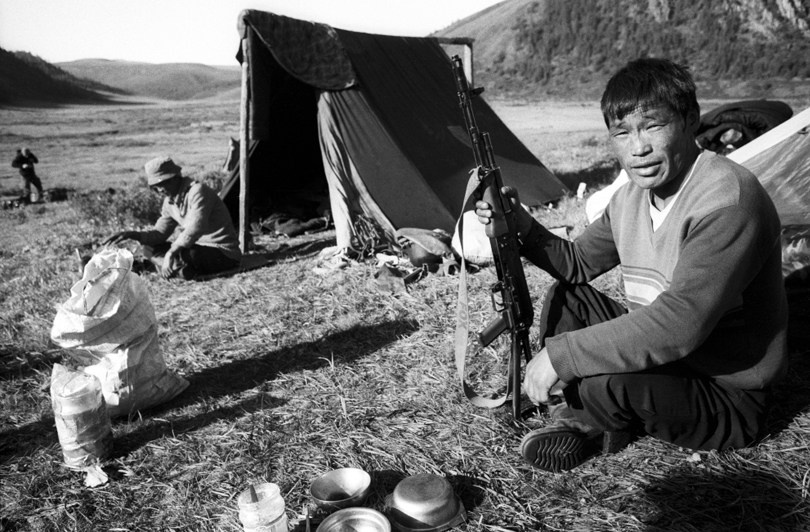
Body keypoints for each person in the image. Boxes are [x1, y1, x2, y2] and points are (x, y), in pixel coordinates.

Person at [475, 58, 788, 473]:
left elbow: (681, 324)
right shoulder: (631, 197)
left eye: (653, 126)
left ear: (691, 120)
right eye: (622, 133)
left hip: (726, 391)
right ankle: (588, 409)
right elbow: (577, 263)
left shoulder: (727, 201)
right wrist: (521, 225)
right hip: (669, 358)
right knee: (569, 299)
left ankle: (591, 421)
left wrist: (562, 356)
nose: (637, 148)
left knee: (604, 376)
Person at [103, 156, 242, 280]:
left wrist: (170, 253)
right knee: (149, 249)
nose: (160, 190)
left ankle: (174, 267)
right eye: (156, 187)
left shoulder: (198, 191)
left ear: (175, 178)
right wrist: (132, 234)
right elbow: (159, 234)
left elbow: (195, 228)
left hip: (222, 252)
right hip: (194, 247)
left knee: (188, 253)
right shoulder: (169, 202)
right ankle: (180, 270)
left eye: (162, 184)